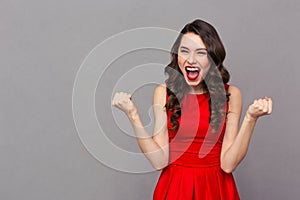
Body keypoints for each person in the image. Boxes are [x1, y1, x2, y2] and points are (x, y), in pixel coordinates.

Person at [111, 19, 272, 200]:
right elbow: (159, 161)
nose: (191, 59)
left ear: (212, 59)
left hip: (215, 189)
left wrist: (251, 119)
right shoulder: (163, 93)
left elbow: (228, 164)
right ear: (176, 55)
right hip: (175, 188)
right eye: (184, 51)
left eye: (201, 53)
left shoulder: (231, 94)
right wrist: (133, 116)